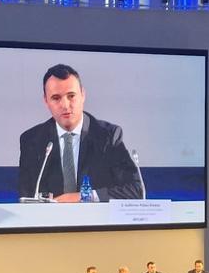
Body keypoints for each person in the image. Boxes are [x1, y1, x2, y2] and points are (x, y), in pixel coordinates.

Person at [16, 64, 142, 202]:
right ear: (46, 101)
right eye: (56, 98)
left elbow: (136, 190)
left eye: (71, 96)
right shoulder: (32, 140)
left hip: (96, 215)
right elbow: (27, 198)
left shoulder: (107, 136)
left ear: (83, 95)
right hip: (51, 216)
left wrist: (83, 196)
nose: (65, 105)